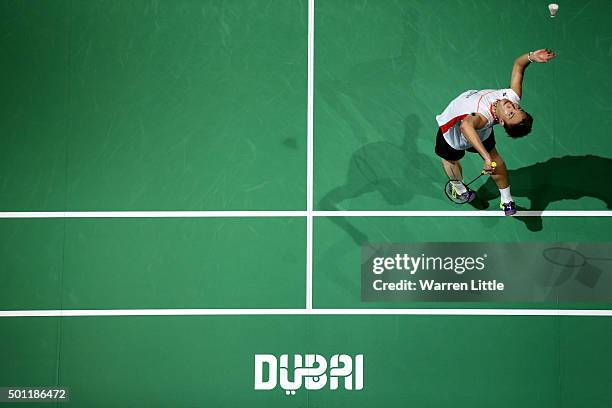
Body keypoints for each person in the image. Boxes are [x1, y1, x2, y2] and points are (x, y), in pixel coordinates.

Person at [434, 49, 557, 215]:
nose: (511, 106)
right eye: (517, 108)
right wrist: (532, 57)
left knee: (450, 160)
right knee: (494, 161)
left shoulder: (482, 116)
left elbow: (466, 126)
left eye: (511, 113)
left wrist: (486, 158)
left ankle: (465, 191)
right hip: (473, 134)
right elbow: (519, 65)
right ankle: (504, 200)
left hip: (453, 135)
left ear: (501, 121)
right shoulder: (511, 98)